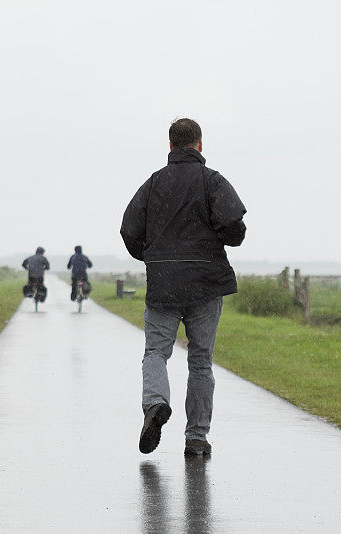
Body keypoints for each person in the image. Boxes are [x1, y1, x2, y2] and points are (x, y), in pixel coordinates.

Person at [121, 118, 246, 456]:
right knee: (201, 362)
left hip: (163, 287)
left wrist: (153, 257)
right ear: (200, 145)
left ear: (171, 146)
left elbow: (129, 231)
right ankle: (196, 438)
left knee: (156, 352)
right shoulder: (212, 182)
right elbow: (235, 228)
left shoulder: (153, 184)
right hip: (205, 286)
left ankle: (155, 404)